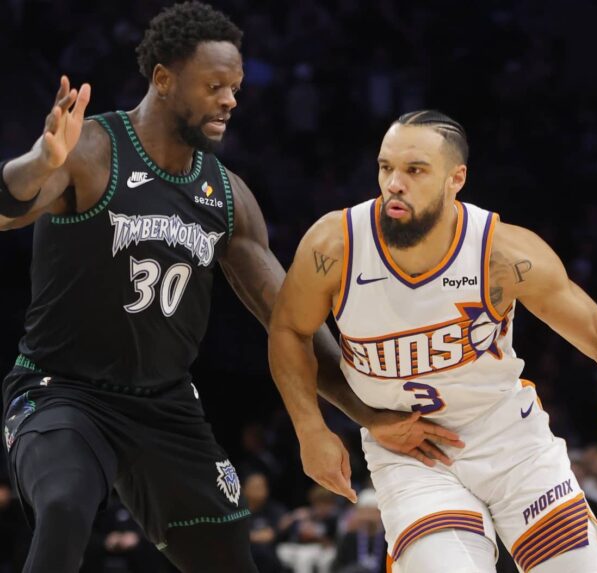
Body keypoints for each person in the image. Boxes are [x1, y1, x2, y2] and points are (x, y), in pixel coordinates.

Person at [0, 4, 461, 572]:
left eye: (235, 87)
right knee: (66, 505)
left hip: (163, 406)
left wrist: (370, 413)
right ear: (164, 80)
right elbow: (9, 209)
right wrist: (41, 160)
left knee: (228, 549)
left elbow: (289, 320)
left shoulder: (227, 195)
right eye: (214, 85)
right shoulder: (94, 149)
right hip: (63, 391)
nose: (230, 100)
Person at [268, 110, 597, 572]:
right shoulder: (335, 245)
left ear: (456, 179)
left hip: (510, 440)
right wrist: (310, 429)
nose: (394, 184)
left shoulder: (503, 253)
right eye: (386, 167)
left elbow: (596, 330)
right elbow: (289, 330)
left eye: (415, 170)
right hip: (410, 453)